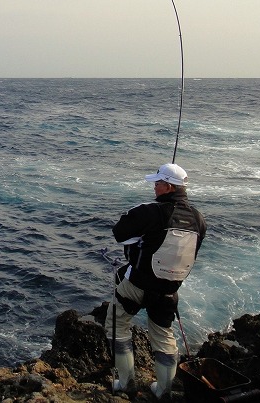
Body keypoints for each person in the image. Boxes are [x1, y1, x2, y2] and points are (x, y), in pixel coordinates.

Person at [104, 162, 206, 399]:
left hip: (138, 284)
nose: (154, 187)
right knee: (163, 335)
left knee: (117, 324)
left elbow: (120, 232)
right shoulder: (199, 219)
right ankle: (163, 391)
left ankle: (126, 383)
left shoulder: (150, 211)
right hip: (170, 290)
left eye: (157, 183)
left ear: (169, 187)